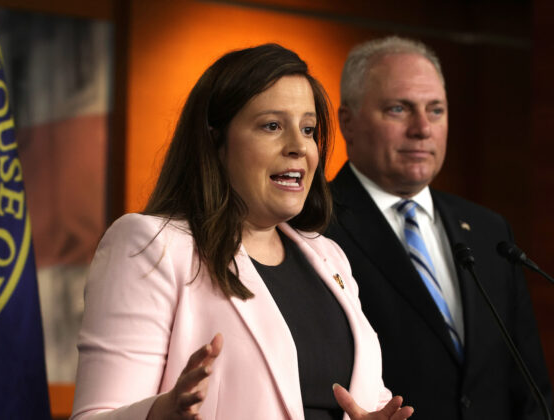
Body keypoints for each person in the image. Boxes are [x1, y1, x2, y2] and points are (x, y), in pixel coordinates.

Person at [70, 44, 414, 420]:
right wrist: (160, 413)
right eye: (272, 126)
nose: (299, 147)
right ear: (216, 142)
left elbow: (366, 396)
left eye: (309, 129)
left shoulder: (329, 257)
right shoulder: (150, 245)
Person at [325, 36, 554, 420]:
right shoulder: (314, 228)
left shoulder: (488, 230)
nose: (422, 129)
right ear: (347, 122)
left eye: (436, 110)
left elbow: (529, 386)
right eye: (399, 109)